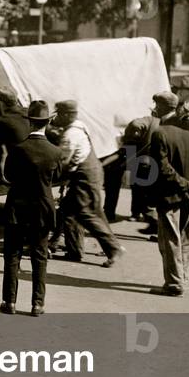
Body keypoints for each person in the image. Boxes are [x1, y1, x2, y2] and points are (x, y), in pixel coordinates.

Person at [0, 100, 63, 316]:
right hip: (42, 208)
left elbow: (7, 175)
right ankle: (37, 304)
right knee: (39, 257)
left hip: (17, 207)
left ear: (29, 123)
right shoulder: (55, 151)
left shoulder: (18, 149)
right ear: (48, 122)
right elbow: (59, 176)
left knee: (12, 255)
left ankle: (9, 302)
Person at [50, 100, 124, 267]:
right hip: (91, 172)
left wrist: (52, 176)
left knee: (86, 213)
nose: (57, 118)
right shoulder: (79, 126)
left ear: (68, 115)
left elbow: (63, 161)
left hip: (84, 176)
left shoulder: (70, 135)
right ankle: (73, 251)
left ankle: (114, 249)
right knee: (67, 210)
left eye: (59, 114)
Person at [146, 91, 189, 296]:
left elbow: (163, 168)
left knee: (169, 239)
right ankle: (183, 278)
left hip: (171, 193)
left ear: (162, 107)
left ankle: (173, 284)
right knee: (186, 238)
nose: (153, 108)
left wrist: (184, 184)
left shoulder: (159, 132)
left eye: (155, 104)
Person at [0, 86, 30, 177]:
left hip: (20, 167)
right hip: (40, 161)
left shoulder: (1, 122)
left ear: (1, 103)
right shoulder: (29, 112)